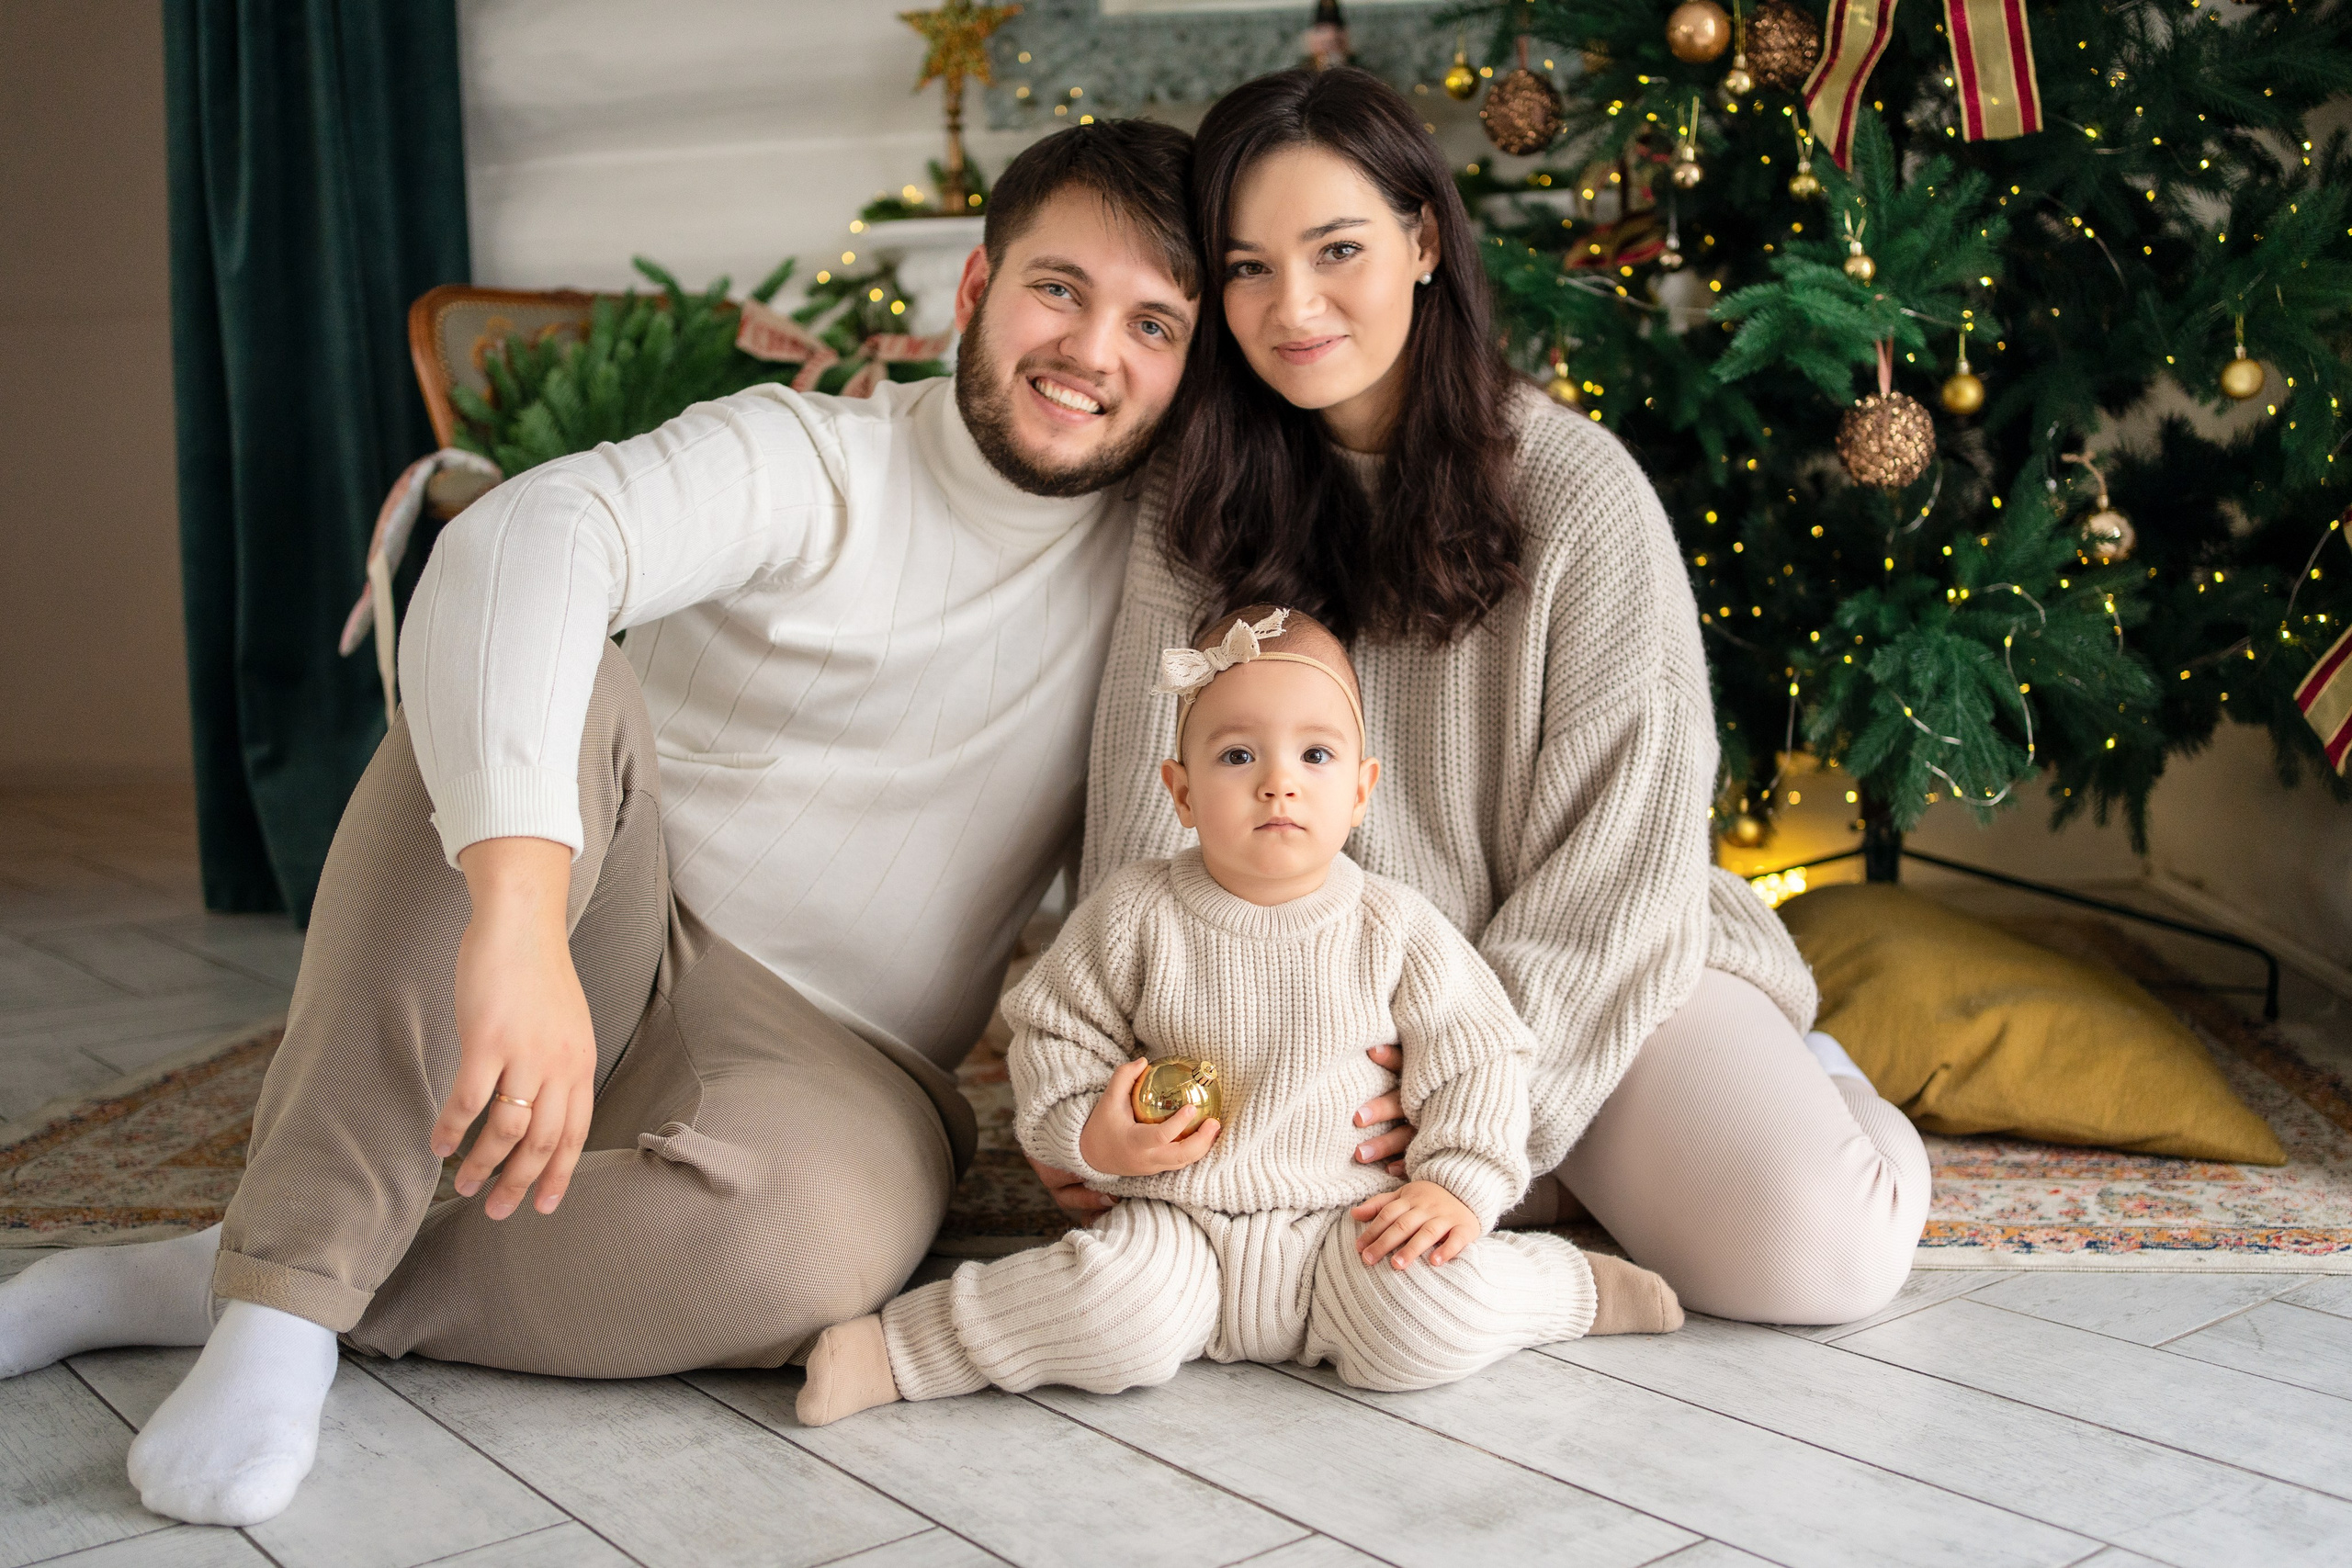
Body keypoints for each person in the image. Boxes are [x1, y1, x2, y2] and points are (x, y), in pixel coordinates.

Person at [0, 118, 1202, 1528]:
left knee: (803, 1252)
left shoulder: (1173, 572)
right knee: (546, 666)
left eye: (1155, 321)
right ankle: (281, 1301)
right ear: (976, 291)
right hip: (599, 916)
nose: (1091, 349)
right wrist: (517, 926)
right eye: (1060, 287)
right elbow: (527, 533)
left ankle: (203, 1272)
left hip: (845, 1052)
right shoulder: (817, 458)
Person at [1048, 66, 1932, 1326]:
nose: (1291, 305)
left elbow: (1623, 860)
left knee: (1819, 1257)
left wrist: (1464, 1104)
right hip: (1308, 998)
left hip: (1590, 970)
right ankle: (1553, 1180)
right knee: (1218, 1254)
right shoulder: (1197, 504)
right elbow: (1149, 815)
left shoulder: (1579, 492)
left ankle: (1810, 1084)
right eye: (1246, 267)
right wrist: (1132, 1078)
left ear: (1421, 239)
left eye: (1337, 248)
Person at [793, 605, 1680, 1427]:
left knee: (1425, 1325)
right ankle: (903, 1350)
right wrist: (1090, 1137)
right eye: (1238, 756)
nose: (1279, 785)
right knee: (1114, 1315)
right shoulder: (1134, 913)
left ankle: (1567, 1291)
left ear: (1363, 788)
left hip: (1350, 1222)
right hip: (1178, 1223)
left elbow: (1480, 1056)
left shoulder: (1398, 927)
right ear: (1180, 792)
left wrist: (1457, 1180)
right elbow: (1055, 1031)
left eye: (1316, 757)